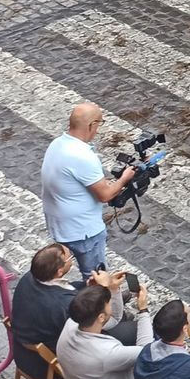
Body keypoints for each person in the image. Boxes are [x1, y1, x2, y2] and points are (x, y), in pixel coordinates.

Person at [11, 244, 136, 379]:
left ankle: (114, 304)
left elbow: (65, 288)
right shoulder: (64, 305)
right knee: (136, 328)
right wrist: (110, 289)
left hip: (25, 353)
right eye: (70, 257)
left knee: (121, 319)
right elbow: (110, 321)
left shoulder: (30, 277)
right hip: (50, 368)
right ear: (59, 271)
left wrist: (88, 287)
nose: (72, 258)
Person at [39, 103, 137, 276]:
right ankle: (101, 301)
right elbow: (105, 195)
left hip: (59, 224)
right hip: (82, 230)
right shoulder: (83, 156)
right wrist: (124, 179)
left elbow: (72, 179)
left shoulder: (58, 144)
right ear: (91, 125)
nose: (98, 130)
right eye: (99, 124)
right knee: (94, 277)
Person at [56, 277, 154, 379]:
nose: (110, 306)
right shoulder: (106, 354)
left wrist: (113, 290)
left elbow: (113, 319)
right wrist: (143, 309)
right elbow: (146, 350)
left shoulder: (72, 323)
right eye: (108, 304)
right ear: (100, 317)